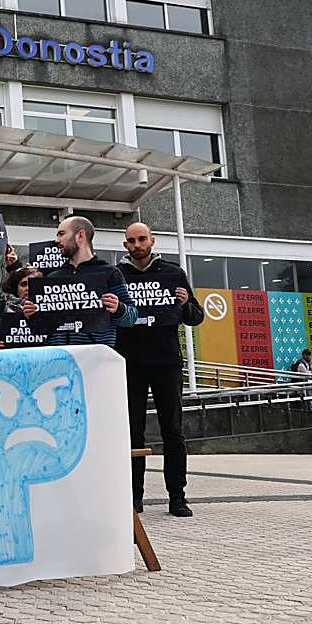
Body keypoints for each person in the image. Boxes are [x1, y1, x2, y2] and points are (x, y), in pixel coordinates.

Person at [116, 222, 204, 518]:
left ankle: (177, 497)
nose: (137, 244)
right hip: (130, 364)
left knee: (173, 431)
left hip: (166, 361)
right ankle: (133, 497)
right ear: (125, 245)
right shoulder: (118, 276)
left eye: (142, 239)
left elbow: (195, 317)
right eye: (132, 240)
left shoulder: (173, 272)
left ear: (152, 241)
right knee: (132, 433)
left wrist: (185, 304)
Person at [23, 216, 138, 347]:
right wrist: (32, 315)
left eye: (61, 234)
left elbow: (132, 317)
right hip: (60, 358)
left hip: (97, 358)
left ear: (80, 235)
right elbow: (44, 328)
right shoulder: (53, 277)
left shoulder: (110, 273)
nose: (57, 240)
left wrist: (118, 308)